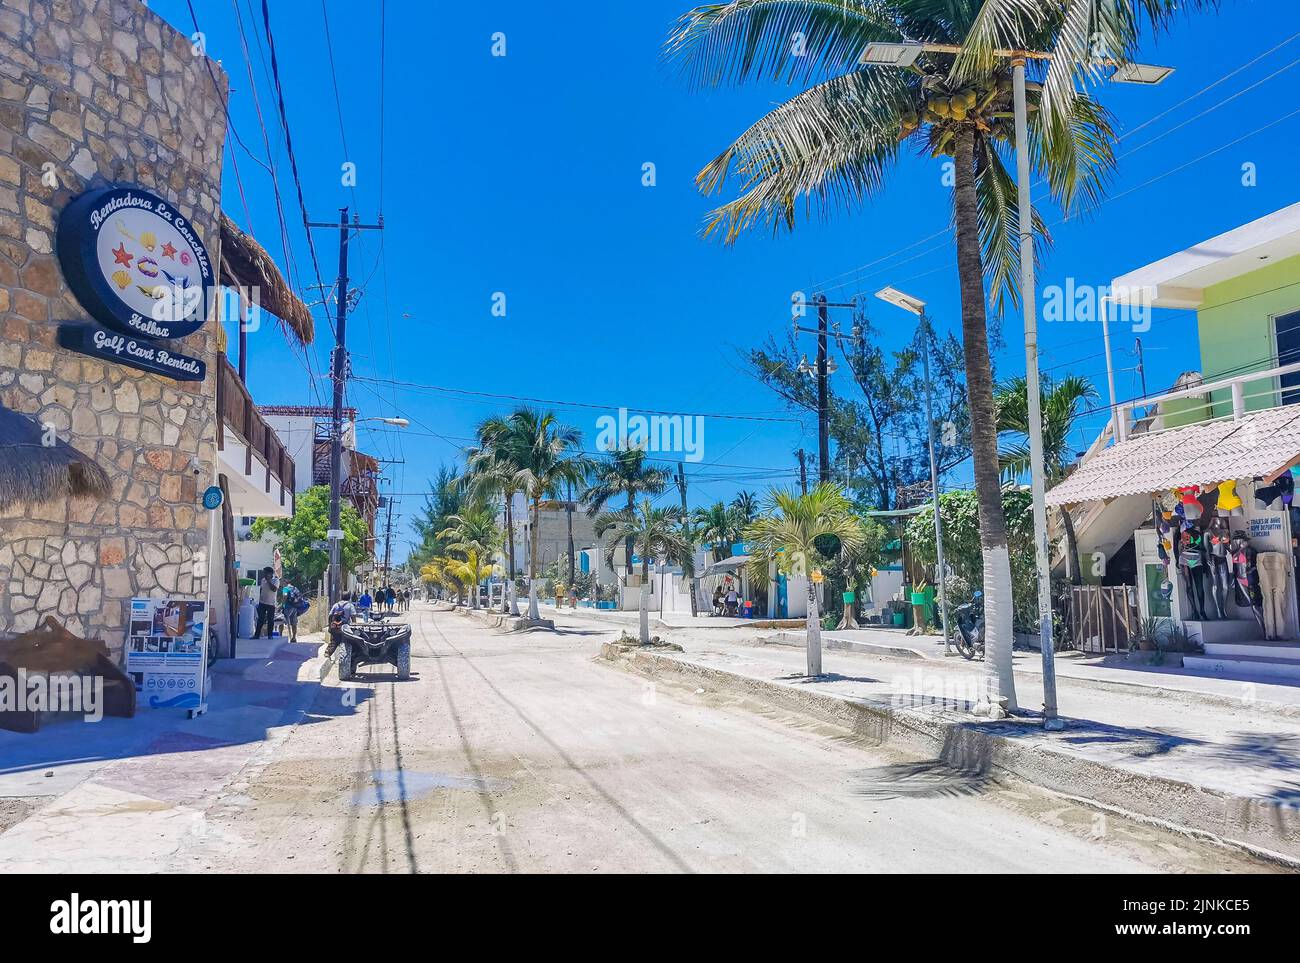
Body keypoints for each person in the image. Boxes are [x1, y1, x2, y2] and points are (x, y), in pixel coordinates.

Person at [325, 592, 357, 657]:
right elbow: (353, 617)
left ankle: (327, 653)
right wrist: (354, 627)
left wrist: (330, 626)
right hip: (345, 627)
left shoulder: (336, 605)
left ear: (341, 597)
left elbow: (330, 615)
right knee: (349, 642)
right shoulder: (350, 606)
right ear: (349, 597)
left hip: (335, 627)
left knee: (334, 641)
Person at [253, 566, 278, 639]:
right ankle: (257, 635)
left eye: (265, 572)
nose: (263, 574)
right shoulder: (263, 580)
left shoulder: (275, 580)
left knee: (270, 619)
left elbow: (274, 589)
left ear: (270, 573)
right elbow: (261, 589)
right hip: (262, 602)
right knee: (260, 619)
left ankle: (270, 635)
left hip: (271, 603)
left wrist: (268, 581)